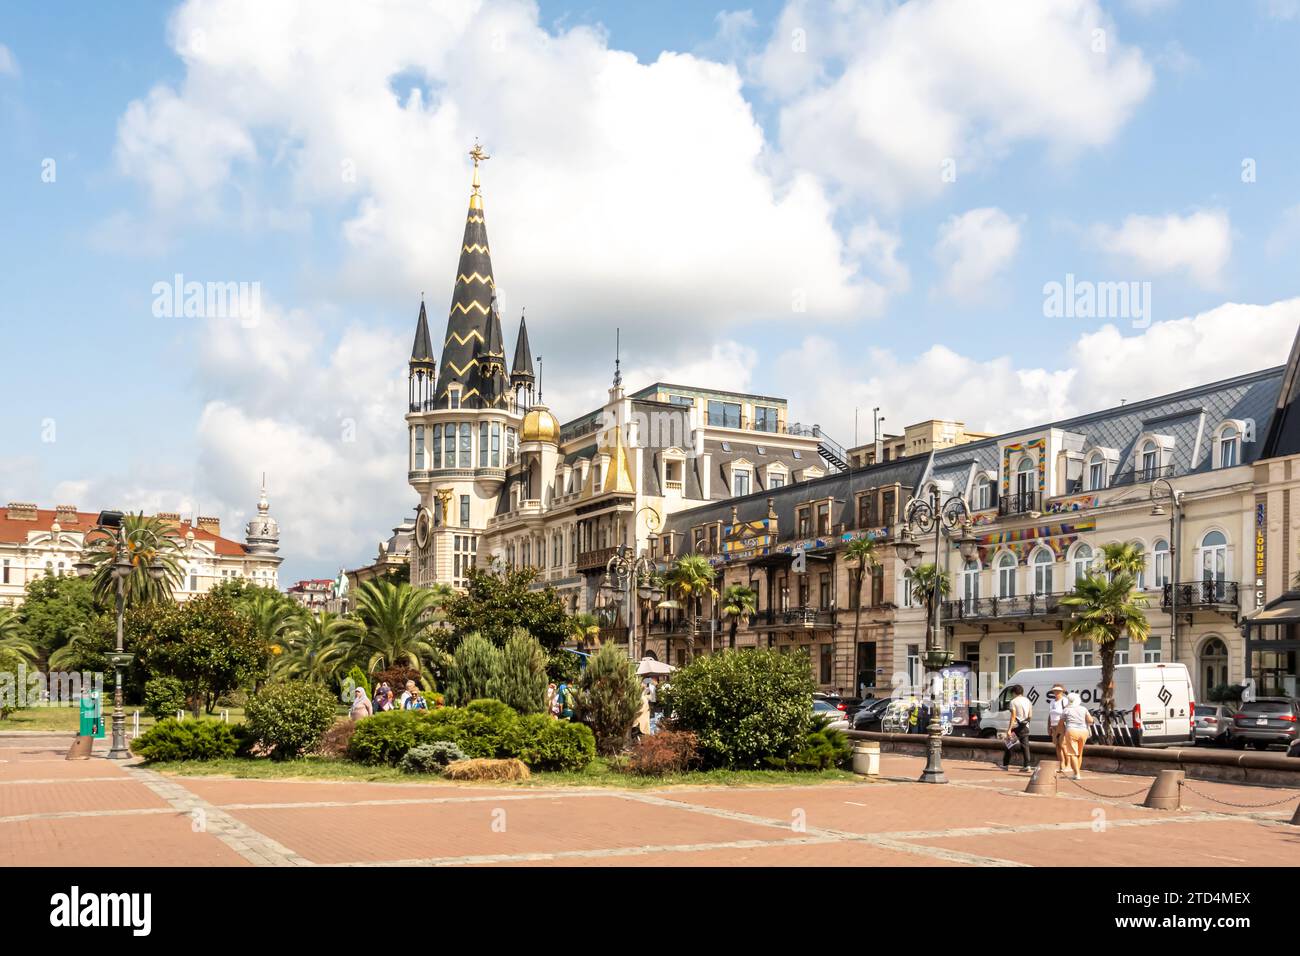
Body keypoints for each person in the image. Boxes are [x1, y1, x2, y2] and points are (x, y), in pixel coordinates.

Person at [1060, 692, 1095, 779]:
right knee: (1080, 753)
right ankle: (1077, 771)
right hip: (1083, 732)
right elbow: (1090, 721)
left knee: (1073, 754)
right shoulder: (1083, 708)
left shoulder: (1066, 710)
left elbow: (1060, 723)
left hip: (1071, 731)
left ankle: (1077, 774)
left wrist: (1060, 732)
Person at [1001, 684, 1034, 772]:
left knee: (1009, 745)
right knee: (1025, 747)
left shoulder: (1013, 702)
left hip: (1016, 727)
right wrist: (1025, 722)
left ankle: (1005, 765)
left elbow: (1013, 716)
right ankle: (1027, 765)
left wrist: (1009, 729)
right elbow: (1030, 715)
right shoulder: (1028, 701)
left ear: (1014, 692)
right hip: (1025, 726)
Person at [1047, 684, 1068, 767]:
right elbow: (1050, 715)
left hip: (1062, 725)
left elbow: (1067, 713)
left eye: (1058, 691)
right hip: (1054, 726)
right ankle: (1061, 763)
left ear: (1062, 691)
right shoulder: (1052, 701)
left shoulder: (1065, 700)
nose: (1056, 692)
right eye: (1055, 690)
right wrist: (1049, 726)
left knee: (1063, 745)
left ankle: (1068, 763)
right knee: (1057, 746)